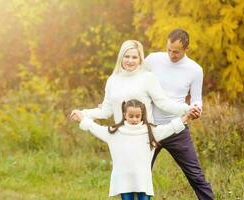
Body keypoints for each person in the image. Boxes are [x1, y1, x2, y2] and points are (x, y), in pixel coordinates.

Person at [71, 99, 193, 200]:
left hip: (143, 179)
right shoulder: (115, 132)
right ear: (124, 115)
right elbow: (95, 128)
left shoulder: (150, 131)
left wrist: (187, 116)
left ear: (142, 116)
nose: (134, 119)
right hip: (124, 179)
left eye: (137, 116)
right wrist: (82, 119)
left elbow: (170, 127)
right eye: (131, 116)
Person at [144, 29, 214, 199]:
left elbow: (196, 99)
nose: (171, 55)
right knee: (139, 174)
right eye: (169, 49)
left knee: (196, 175)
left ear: (186, 49)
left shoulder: (195, 70)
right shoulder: (153, 59)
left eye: (176, 52)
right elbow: (137, 83)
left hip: (178, 129)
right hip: (150, 128)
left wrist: (196, 109)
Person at [70, 39, 199, 126]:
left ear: (140, 59)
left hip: (144, 136)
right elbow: (105, 111)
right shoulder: (112, 80)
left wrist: (188, 109)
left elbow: (164, 103)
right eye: (127, 56)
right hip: (120, 135)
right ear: (121, 58)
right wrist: (84, 113)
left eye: (134, 57)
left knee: (141, 168)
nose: (130, 61)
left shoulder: (148, 78)